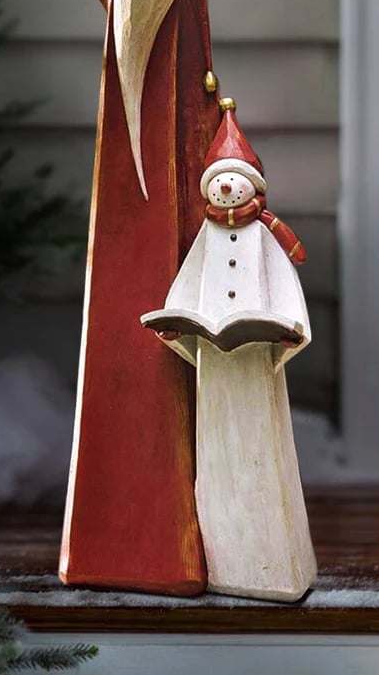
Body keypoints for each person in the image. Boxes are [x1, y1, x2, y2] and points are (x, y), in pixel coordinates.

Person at [18, 0, 220, 594]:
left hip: (171, 246)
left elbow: (218, 145)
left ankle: (168, 551)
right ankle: (103, 548)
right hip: (120, 249)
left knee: (166, 393)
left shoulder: (191, 52)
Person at [141, 104, 317, 601]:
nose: (225, 190)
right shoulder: (206, 238)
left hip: (256, 353)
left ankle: (275, 567)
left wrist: (291, 330)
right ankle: (228, 564)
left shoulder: (264, 236)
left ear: (252, 189)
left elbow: (285, 285)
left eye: (233, 181)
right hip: (216, 366)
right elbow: (188, 284)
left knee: (261, 455)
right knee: (218, 457)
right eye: (218, 182)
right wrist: (176, 325)